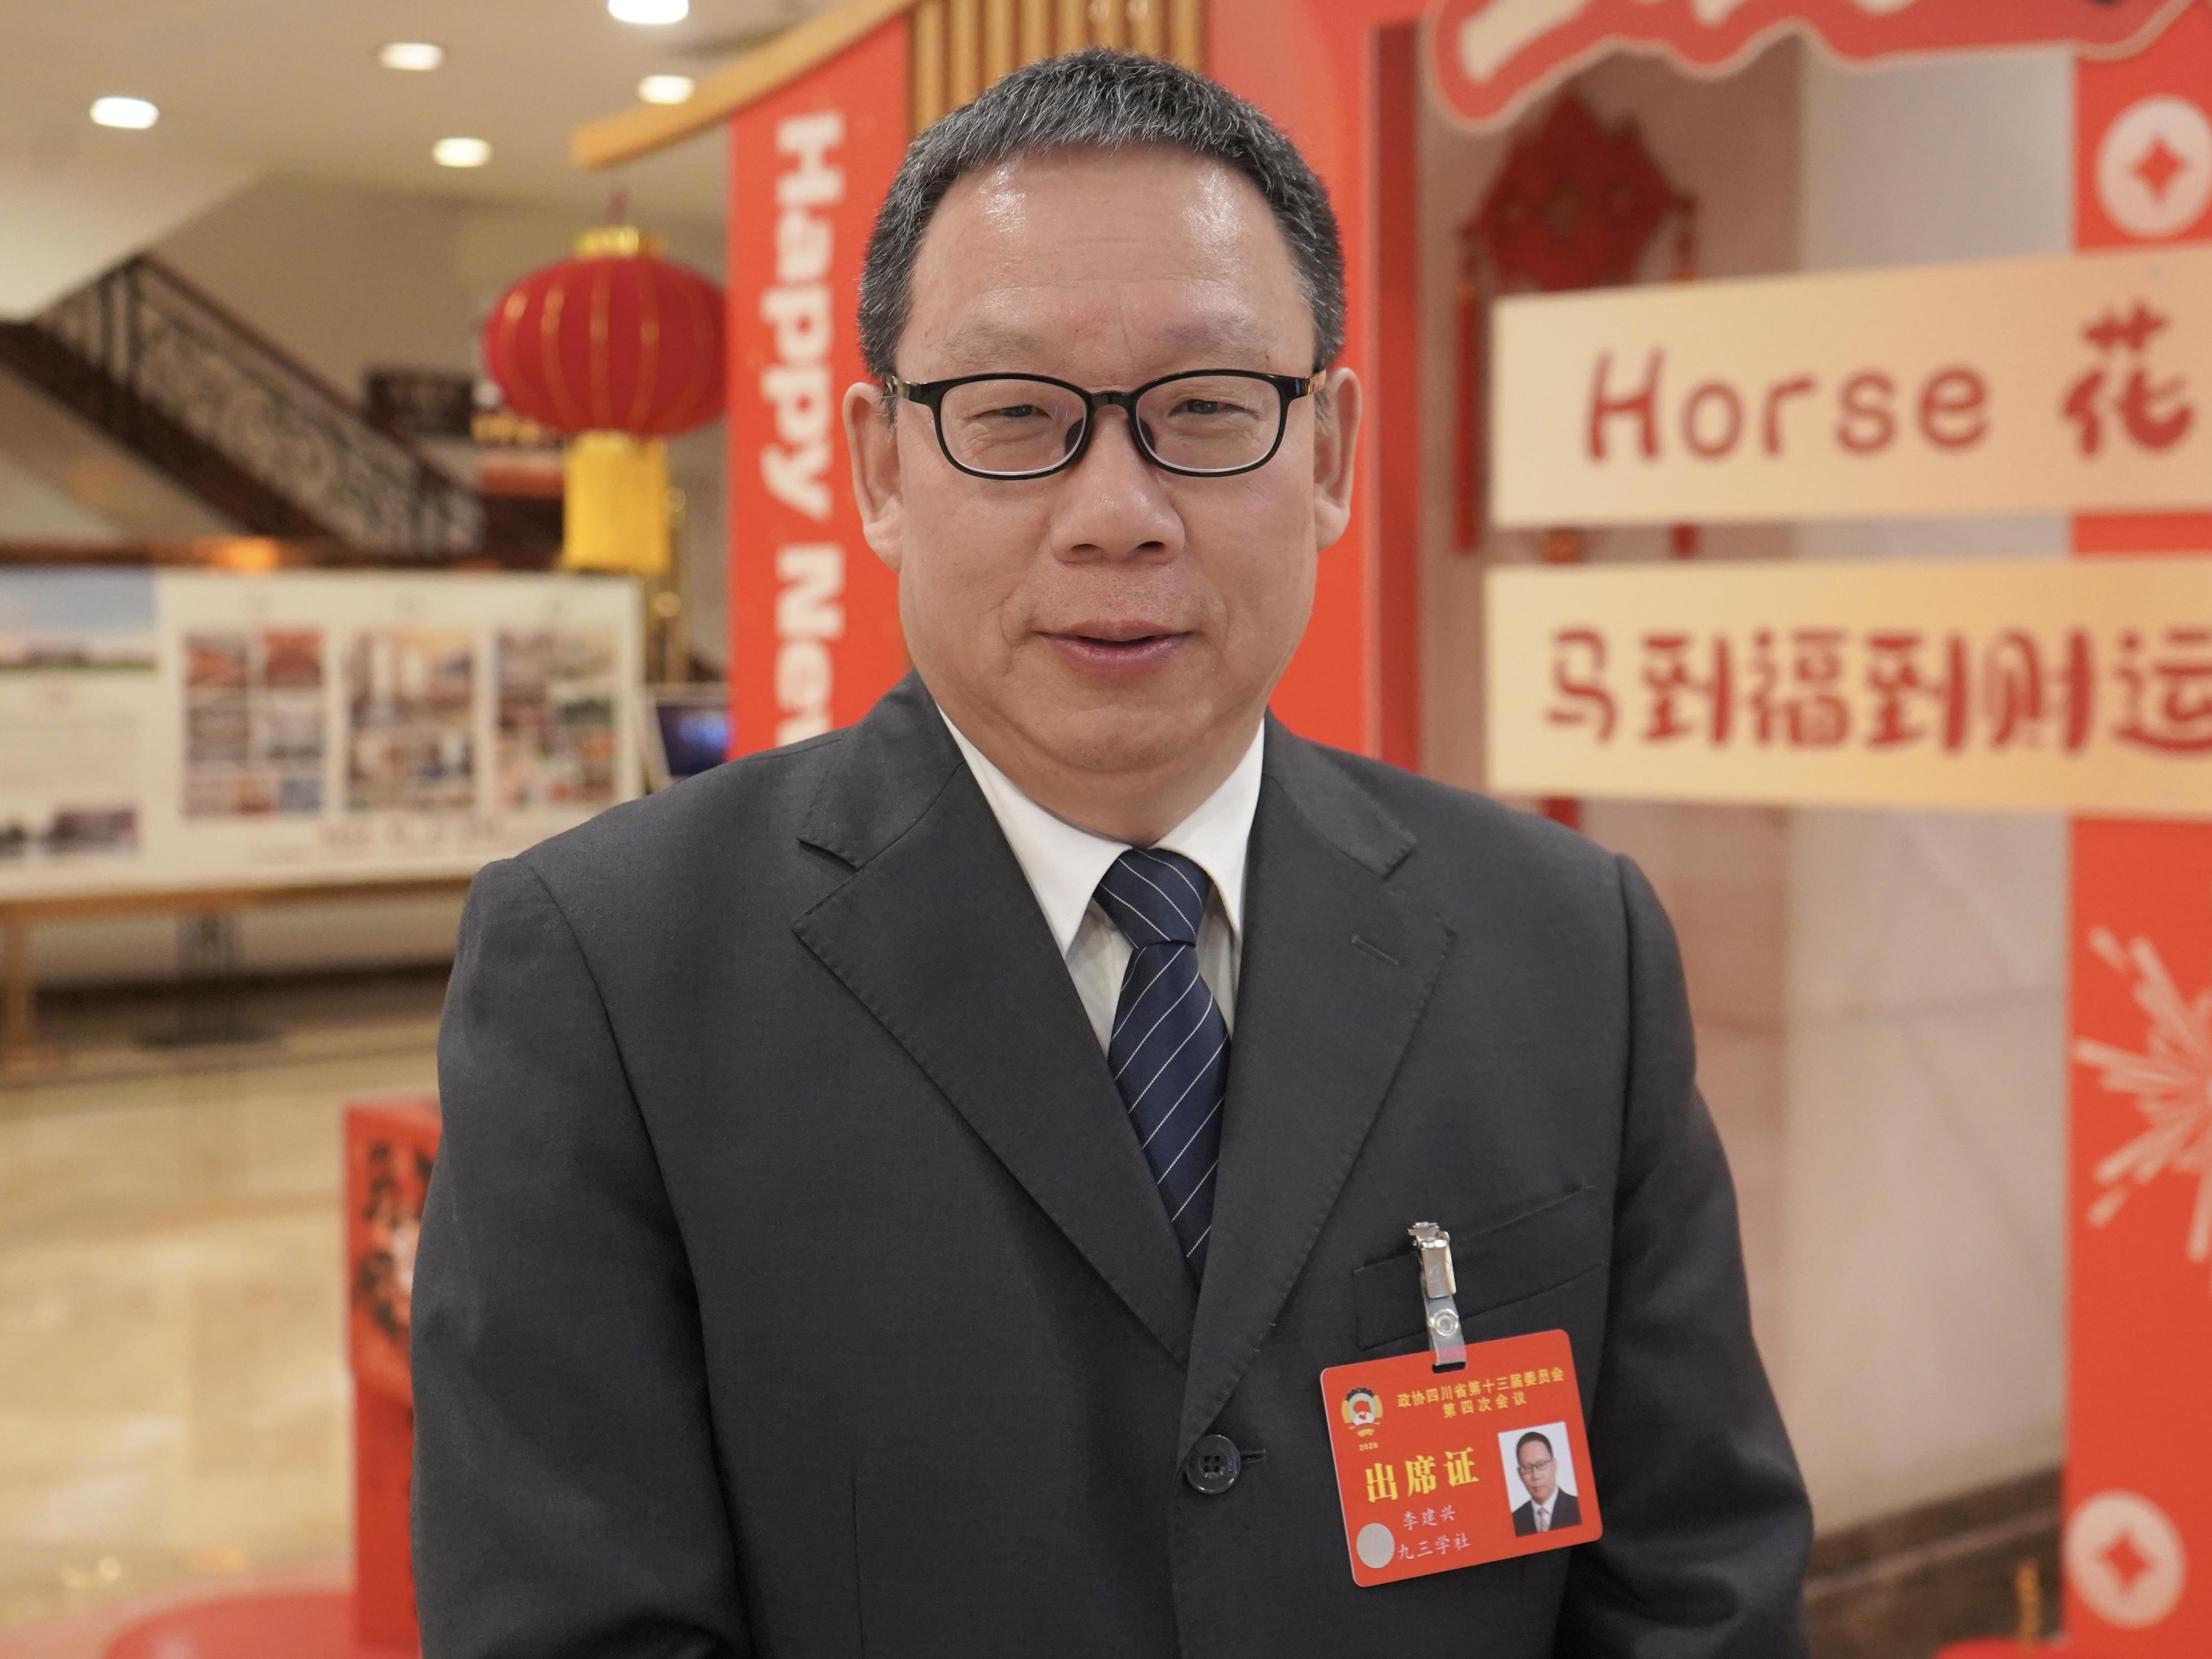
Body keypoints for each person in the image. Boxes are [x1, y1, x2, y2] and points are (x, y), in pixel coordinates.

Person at [412, 47, 1810, 1658]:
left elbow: (1698, 1583)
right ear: (880, 465)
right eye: (1014, 416)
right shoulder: (609, 972)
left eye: (1206, 408)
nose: (1116, 511)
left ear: (1328, 452)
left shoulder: (1568, 942)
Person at [1511, 1431, 1583, 1537]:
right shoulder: (1514, 1521)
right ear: (1520, 1474)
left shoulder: (1580, 1508)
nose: (1535, 1476)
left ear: (1554, 1465)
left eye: (1541, 1465)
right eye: (1527, 1468)